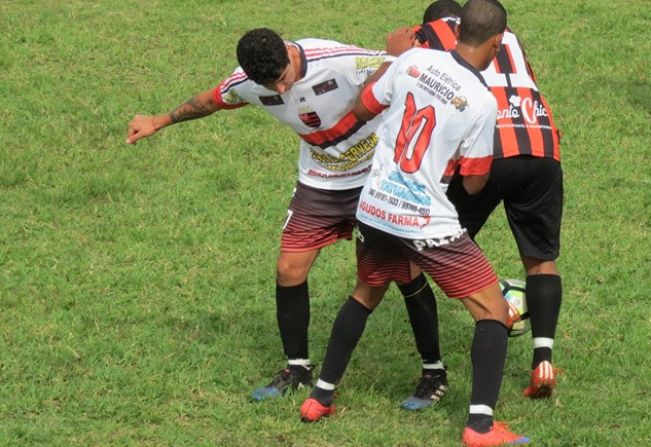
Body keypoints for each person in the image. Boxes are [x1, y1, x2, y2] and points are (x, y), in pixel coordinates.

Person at [125, 28, 444, 403]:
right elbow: (210, 100)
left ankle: (433, 372)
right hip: (319, 184)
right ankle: (297, 368)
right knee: (288, 270)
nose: (279, 91)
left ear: (291, 57)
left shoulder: (335, 60)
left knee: (403, 274)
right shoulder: (247, 83)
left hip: (375, 180)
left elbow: (402, 70)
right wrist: (158, 120)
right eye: (269, 86)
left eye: (282, 79)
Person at [300, 1, 530, 445]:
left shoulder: (413, 60)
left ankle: (320, 398)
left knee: (365, 295)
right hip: (425, 222)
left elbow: (366, 105)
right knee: (494, 312)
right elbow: (478, 180)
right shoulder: (482, 100)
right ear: (498, 43)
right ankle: (480, 426)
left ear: (456, 29)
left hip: (374, 207)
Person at [408, 0, 564, 400]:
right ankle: (543, 358)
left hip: (490, 152)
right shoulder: (507, 36)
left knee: (429, 249)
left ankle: (493, 300)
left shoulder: (434, 35)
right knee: (541, 258)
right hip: (542, 146)